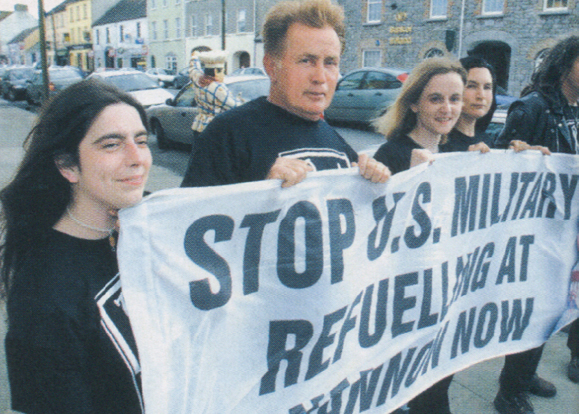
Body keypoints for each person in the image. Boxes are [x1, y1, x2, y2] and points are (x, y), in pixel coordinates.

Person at [0, 78, 152, 413]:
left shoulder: (155, 227)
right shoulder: (43, 294)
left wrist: (272, 200)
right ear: (68, 166)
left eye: (141, 140)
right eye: (111, 144)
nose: (136, 158)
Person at [181, 0, 390, 189]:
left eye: (330, 63)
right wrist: (261, 188)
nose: (320, 77)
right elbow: (187, 222)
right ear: (272, 66)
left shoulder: (338, 145)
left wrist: (371, 181)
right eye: (306, 61)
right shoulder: (227, 134)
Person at [373, 57, 467, 414]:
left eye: (455, 98)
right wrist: (409, 185)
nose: (448, 108)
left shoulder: (455, 152)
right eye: (436, 99)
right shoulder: (391, 153)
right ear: (414, 103)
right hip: (404, 305)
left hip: (442, 295)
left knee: (438, 380)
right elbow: (377, 237)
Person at [493, 35, 579, 414]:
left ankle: (525, 375)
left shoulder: (575, 109)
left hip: (565, 232)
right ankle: (508, 391)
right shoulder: (532, 108)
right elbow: (497, 171)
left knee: (553, 309)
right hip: (535, 234)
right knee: (532, 311)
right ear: (565, 64)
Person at [440, 55, 497, 153]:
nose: (481, 95)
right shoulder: (439, 142)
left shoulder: (487, 141)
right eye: (471, 86)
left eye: (487, 87)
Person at [189, 49, 244, 134]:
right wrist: (241, 100)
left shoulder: (198, 78)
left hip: (198, 127)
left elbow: (194, 68)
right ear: (215, 71)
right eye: (222, 71)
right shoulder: (218, 88)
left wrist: (194, 56)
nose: (224, 75)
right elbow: (236, 107)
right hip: (214, 130)